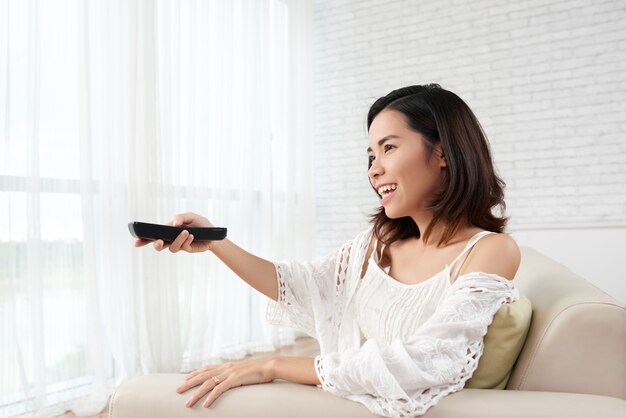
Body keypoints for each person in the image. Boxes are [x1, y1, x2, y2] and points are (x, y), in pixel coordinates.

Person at [134, 83, 521, 417]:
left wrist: (273, 365)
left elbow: (425, 362)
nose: (374, 169)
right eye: (371, 156)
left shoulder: (488, 250)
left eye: (388, 148)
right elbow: (302, 285)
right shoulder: (377, 244)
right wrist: (217, 243)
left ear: (443, 153)